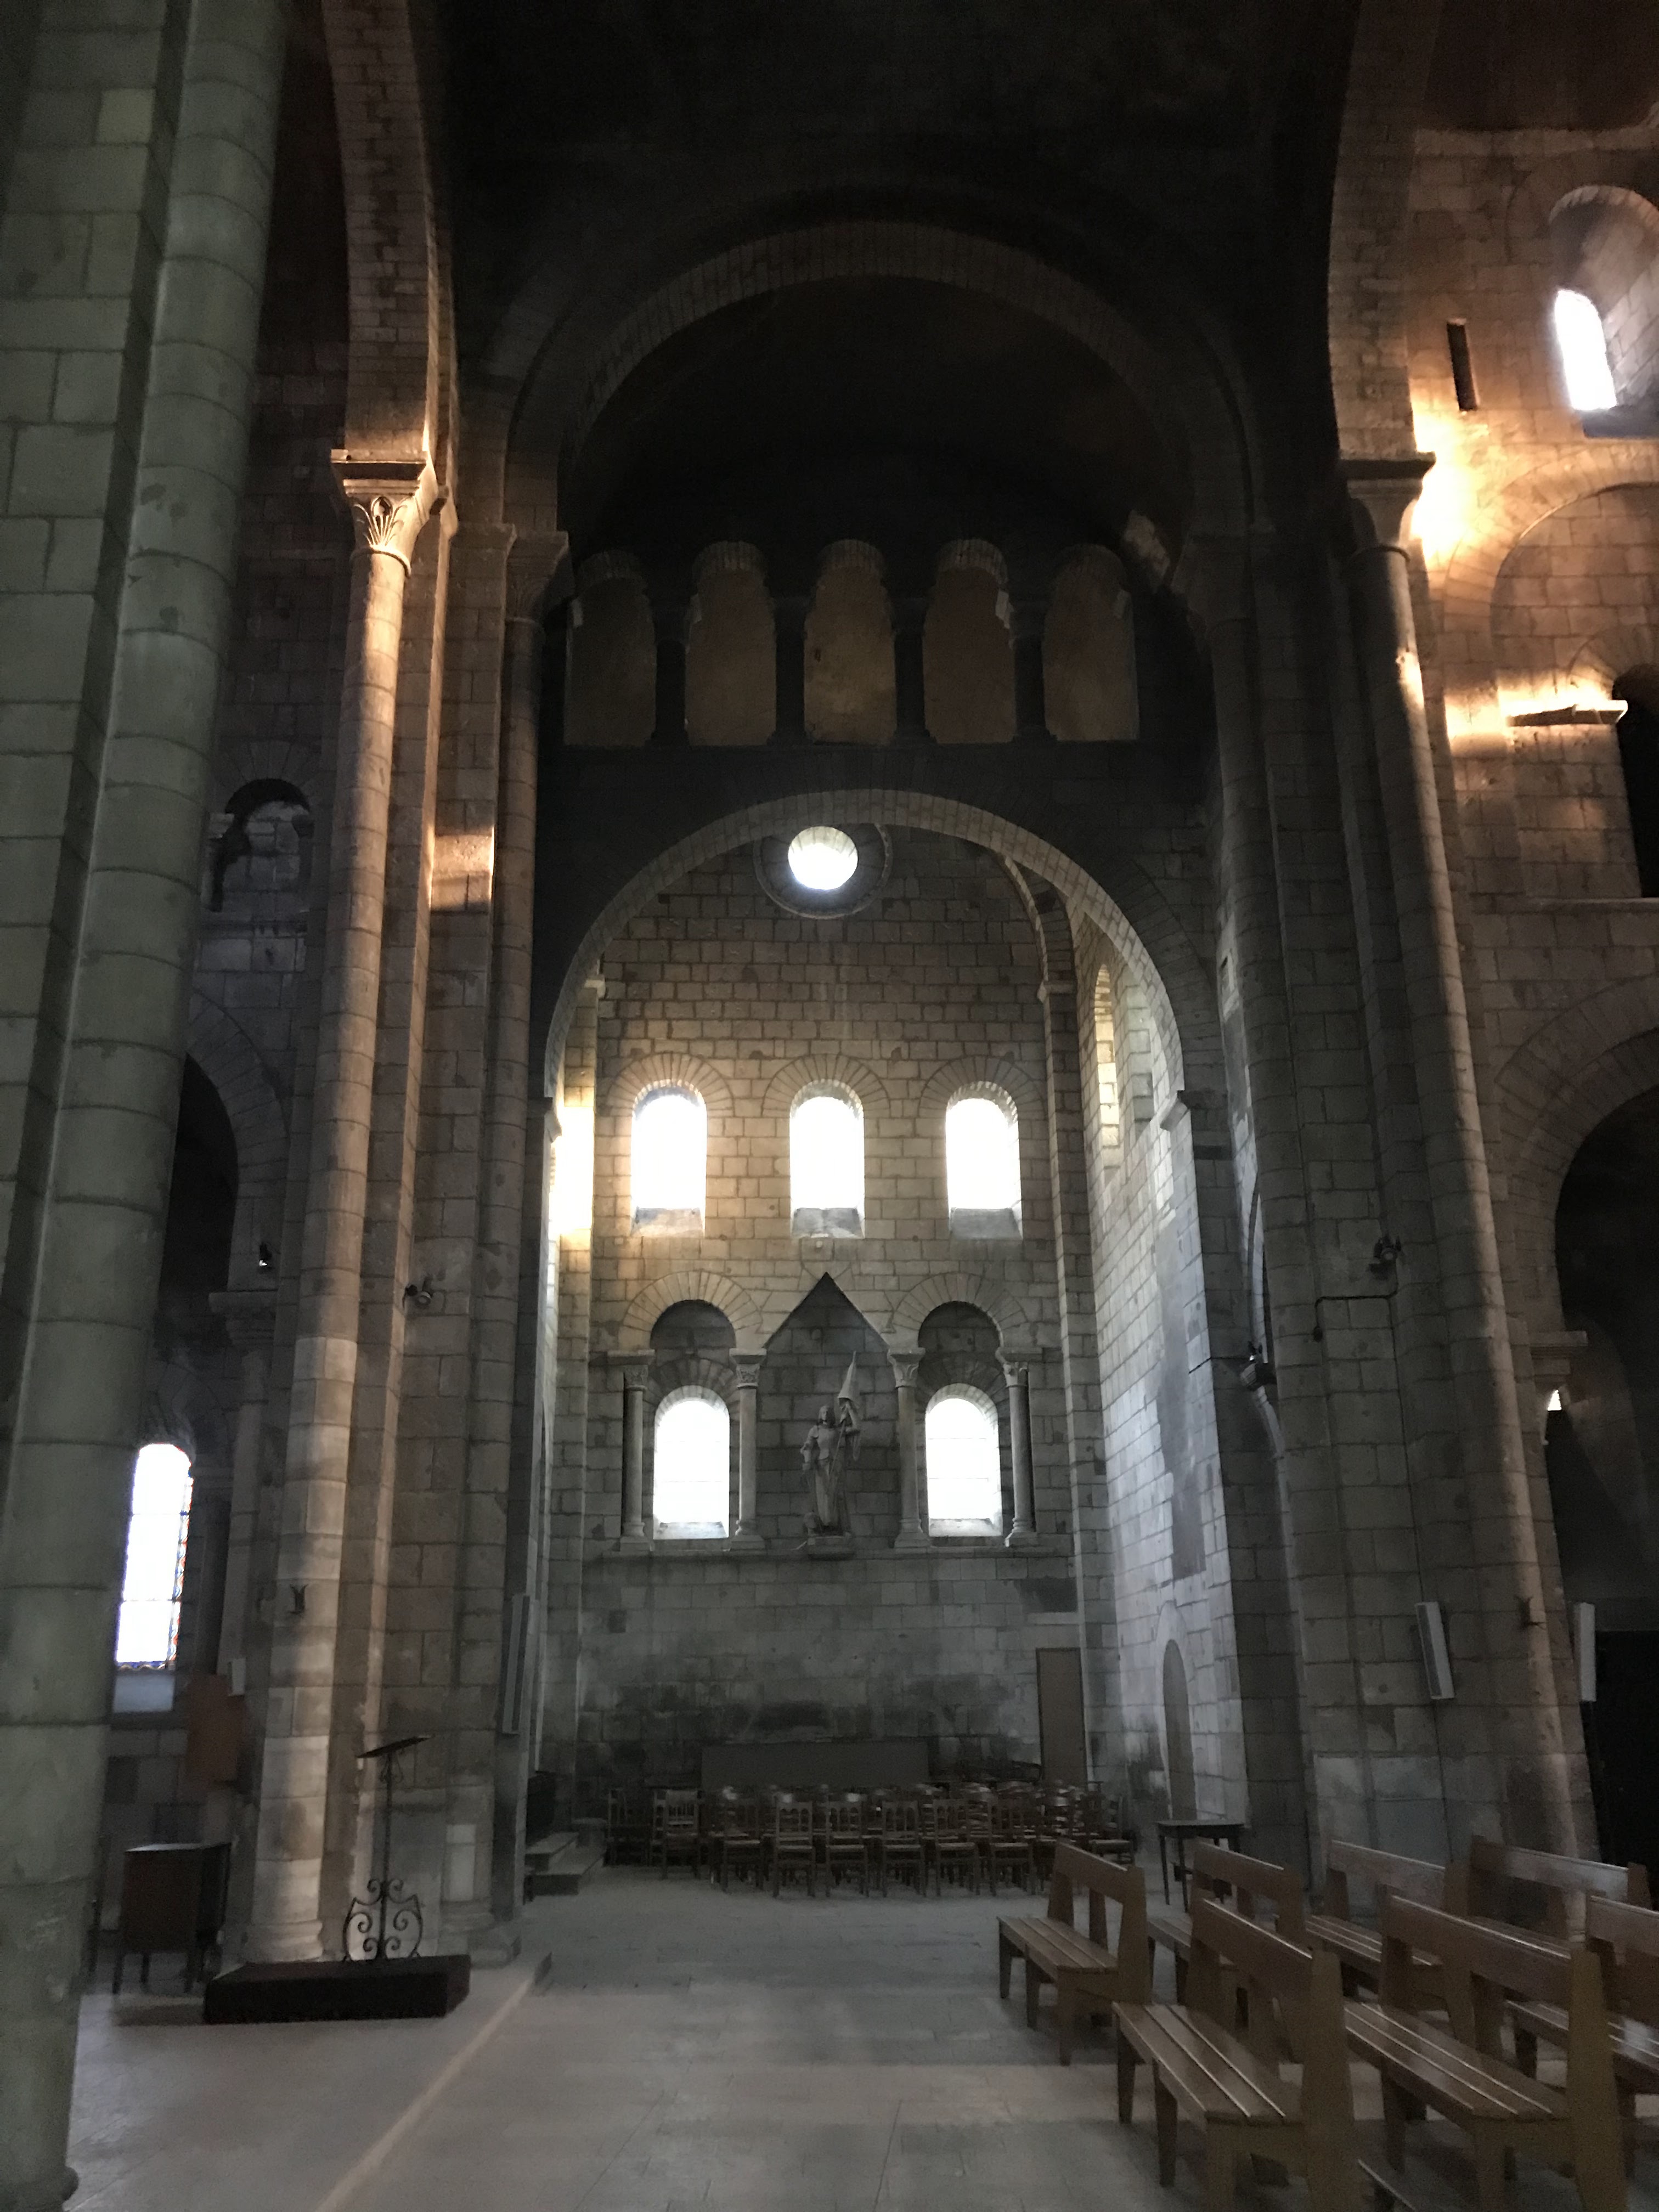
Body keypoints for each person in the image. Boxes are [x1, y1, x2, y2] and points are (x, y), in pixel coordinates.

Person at [802, 1362, 859, 1534]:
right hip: (821, 1467)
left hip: (836, 1464)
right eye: (823, 1412)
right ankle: (823, 1524)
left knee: (836, 1495)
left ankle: (837, 1526)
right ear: (820, 1415)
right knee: (823, 1497)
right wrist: (807, 1461)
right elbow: (807, 1446)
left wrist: (850, 1409)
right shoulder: (816, 1430)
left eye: (828, 1412)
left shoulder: (837, 1431)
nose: (826, 1414)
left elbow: (856, 1428)